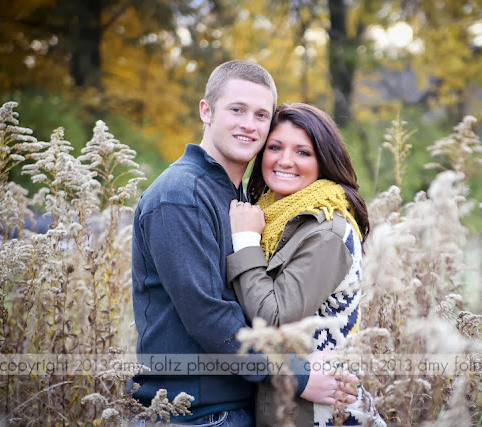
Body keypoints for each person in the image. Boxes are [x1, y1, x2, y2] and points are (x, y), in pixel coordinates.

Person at [130, 61, 357, 426]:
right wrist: (296, 376)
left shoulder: (241, 198)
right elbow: (209, 316)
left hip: (233, 406)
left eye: (261, 115)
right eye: (237, 110)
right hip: (194, 413)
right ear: (207, 111)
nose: (249, 125)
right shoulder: (180, 196)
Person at [227, 103, 386, 426]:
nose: (285, 161)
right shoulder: (271, 218)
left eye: (303, 152)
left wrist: (244, 240)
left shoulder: (327, 229)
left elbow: (273, 317)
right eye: (275, 147)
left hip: (320, 413)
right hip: (283, 402)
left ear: (323, 162)